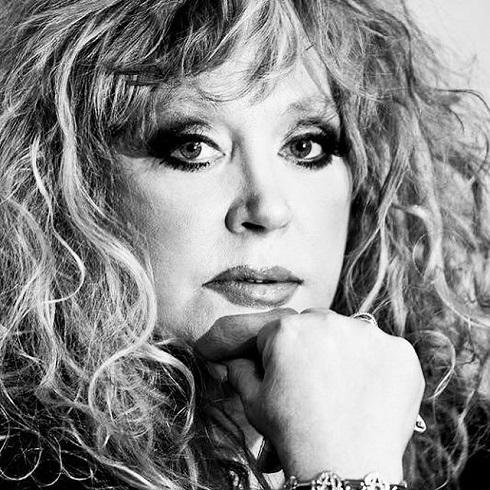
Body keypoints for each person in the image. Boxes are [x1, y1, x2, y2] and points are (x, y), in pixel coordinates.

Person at [0, 1, 488, 489]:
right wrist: (348, 475)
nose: (268, 209)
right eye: (193, 147)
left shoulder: (470, 454)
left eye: (305, 146)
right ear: (74, 189)